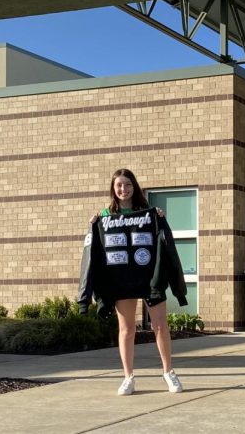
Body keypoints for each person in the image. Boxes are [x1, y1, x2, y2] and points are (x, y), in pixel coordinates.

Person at [78, 168, 187, 395]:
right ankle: (128, 377)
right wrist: (92, 225)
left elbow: (164, 245)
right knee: (127, 329)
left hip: (149, 279)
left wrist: (159, 217)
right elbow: (94, 252)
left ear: (134, 187)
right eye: (119, 185)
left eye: (127, 185)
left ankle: (169, 373)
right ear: (113, 189)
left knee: (160, 325)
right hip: (121, 280)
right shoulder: (104, 216)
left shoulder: (149, 213)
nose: (123, 189)